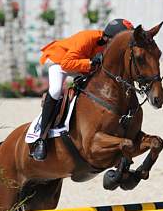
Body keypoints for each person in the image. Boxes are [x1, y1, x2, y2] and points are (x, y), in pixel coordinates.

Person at [32, 19, 134, 161]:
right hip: (61, 63)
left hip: (81, 67)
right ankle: (41, 139)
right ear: (110, 37)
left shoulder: (111, 48)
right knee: (55, 91)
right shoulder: (86, 38)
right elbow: (67, 64)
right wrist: (91, 62)